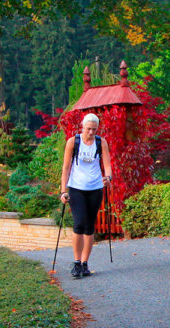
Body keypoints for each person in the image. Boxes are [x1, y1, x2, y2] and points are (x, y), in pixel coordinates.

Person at [60, 113, 112, 279]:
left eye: (94, 129)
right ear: (82, 127)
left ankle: (84, 263)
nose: (91, 132)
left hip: (95, 188)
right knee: (79, 224)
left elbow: (107, 164)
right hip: (76, 188)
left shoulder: (100, 142)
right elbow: (66, 168)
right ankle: (76, 262)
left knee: (90, 227)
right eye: (88, 129)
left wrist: (108, 177)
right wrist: (63, 190)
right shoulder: (73, 142)